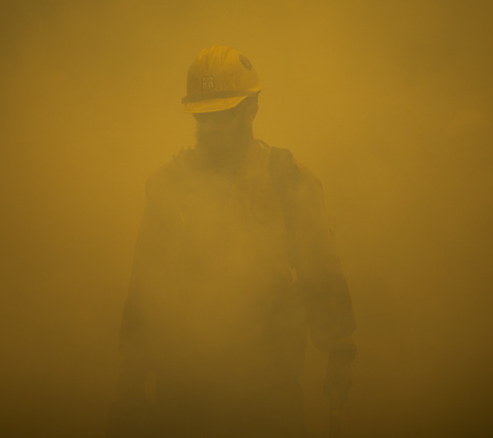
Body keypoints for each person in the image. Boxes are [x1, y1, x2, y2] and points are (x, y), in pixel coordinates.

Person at [108, 44, 356, 438]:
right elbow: (144, 285)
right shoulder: (168, 187)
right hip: (184, 388)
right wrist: (132, 376)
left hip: (268, 392)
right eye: (201, 117)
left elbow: (319, 268)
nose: (209, 128)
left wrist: (340, 351)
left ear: (251, 109)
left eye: (221, 116)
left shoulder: (287, 180)